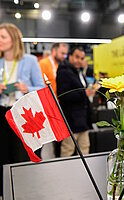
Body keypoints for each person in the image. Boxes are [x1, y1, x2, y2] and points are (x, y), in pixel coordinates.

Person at [0, 23, 45, 196]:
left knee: (21, 156)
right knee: (2, 154)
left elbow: (42, 89)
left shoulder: (30, 61)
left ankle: (24, 192)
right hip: (2, 113)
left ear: (14, 39)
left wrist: (27, 88)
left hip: (22, 115)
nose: (0, 40)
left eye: (3, 37)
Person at [57, 47, 95, 157]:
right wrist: (84, 93)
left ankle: (83, 174)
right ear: (70, 56)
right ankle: (64, 174)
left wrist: (87, 93)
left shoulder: (79, 72)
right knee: (68, 150)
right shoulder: (63, 72)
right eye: (77, 57)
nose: (79, 60)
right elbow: (63, 95)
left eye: (82, 58)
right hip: (71, 120)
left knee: (85, 150)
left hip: (83, 120)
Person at [39, 43, 68, 159]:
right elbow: (41, 86)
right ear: (54, 51)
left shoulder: (63, 65)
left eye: (65, 54)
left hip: (61, 105)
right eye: (62, 53)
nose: (64, 56)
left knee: (60, 137)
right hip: (48, 106)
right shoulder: (43, 64)